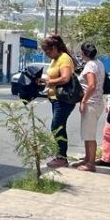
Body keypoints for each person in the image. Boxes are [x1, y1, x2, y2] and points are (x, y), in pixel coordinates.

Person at [39, 35, 76, 167]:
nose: (47, 54)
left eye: (48, 51)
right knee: (59, 127)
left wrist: (49, 81)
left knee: (57, 127)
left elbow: (65, 78)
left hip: (63, 99)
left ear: (54, 48)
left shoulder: (64, 59)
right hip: (55, 99)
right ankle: (60, 156)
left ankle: (61, 157)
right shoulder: (56, 59)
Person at [74, 43, 105, 171]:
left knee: (90, 134)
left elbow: (91, 85)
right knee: (87, 133)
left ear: (84, 53)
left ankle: (91, 163)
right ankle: (87, 159)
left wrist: (83, 101)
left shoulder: (90, 66)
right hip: (97, 102)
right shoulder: (99, 63)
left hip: (91, 103)